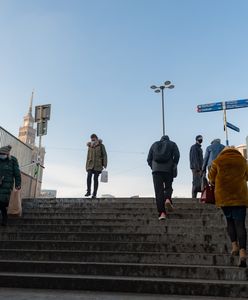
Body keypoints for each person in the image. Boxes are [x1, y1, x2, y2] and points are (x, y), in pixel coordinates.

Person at [208, 147, 248, 268]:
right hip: (240, 197)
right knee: (240, 225)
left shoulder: (218, 161)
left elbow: (211, 178)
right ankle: (243, 253)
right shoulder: (242, 161)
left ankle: (234, 246)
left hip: (224, 198)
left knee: (230, 222)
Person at [147, 135, 180, 220]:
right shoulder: (172, 144)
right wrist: (174, 164)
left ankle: (162, 213)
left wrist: (153, 166)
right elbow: (177, 155)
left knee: (159, 192)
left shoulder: (154, 144)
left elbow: (148, 159)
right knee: (168, 187)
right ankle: (168, 199)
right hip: (168, 170)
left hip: (156, 171)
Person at [0, 145, 21, 226]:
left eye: (3, 154)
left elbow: (17, 173)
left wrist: (18, 184)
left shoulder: (13, 160)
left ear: (7, 153)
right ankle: (4, 218)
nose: (1, 155)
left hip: (7, 185)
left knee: (2, 202)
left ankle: (4, 219)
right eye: (0, 153)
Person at [85, 134, 108, 199]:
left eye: (94, 139)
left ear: (96, 138)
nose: (92, 140)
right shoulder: (89, 147)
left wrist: (105, 164)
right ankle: (88, 191)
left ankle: (94, 194)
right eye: (91, 139)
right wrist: (86, 166)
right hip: (90, 164)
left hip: (98, 165)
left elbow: (104, 155)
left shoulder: (101, 146)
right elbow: (88, 157)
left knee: (95, 179)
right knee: (89, 176)